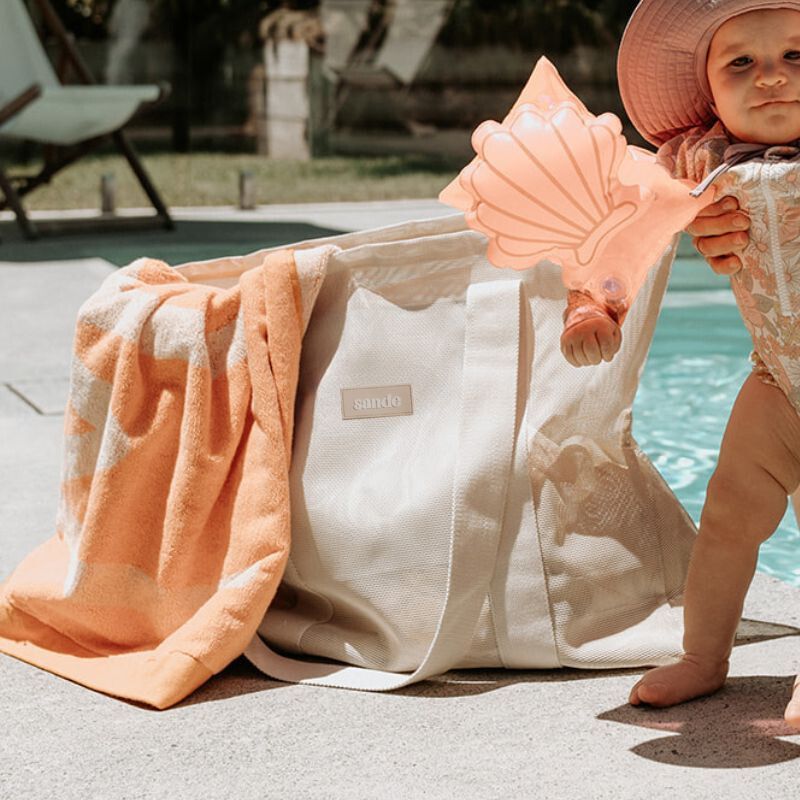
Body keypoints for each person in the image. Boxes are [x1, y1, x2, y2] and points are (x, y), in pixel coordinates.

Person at [563, 0, 800, 729]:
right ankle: (704, 654)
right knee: (728, 517)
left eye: (796, 56)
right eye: (741, 63)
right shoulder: (701, 165)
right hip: (777, 380)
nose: (770, 78)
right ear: (708, 91)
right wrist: (595, 304)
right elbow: (629, 229)